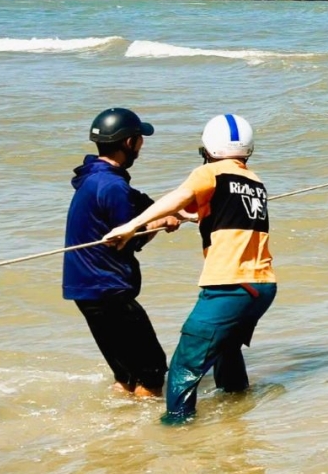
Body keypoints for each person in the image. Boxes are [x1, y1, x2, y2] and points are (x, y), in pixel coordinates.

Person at [103, 114, 276, 426]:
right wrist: (185, 216)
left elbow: (178, 197)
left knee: (186, 362)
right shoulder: (256, 180)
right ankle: (237, 411)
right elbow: (222, 213)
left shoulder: (208, 172)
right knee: (226, 347)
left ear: (208, 148)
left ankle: (177, 429)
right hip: (262, 287)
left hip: (229, 287)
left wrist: (130, 226)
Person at [64, 108, 182, 399]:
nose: (142, 145)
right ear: (128, 143)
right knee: (151, 371)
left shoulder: (93, 176)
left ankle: (119, 432)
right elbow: (126, 241)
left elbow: (139, 201)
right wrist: (157, 224)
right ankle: (144, 436)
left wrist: (173, 209)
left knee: (126, 374)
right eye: (139, 139)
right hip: (109, 291)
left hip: (84, 291)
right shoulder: (114, 186)